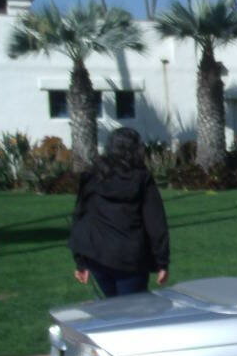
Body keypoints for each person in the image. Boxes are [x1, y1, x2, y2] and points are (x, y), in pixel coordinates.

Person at [69, 126, 170, 297]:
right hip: (129, 258)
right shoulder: (141, 178)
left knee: (113, 308)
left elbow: (80, 217)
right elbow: (156, 223)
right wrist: (162, 262)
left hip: (97, 255)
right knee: (133, 313)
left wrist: (81, 260)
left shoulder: (93, 176)